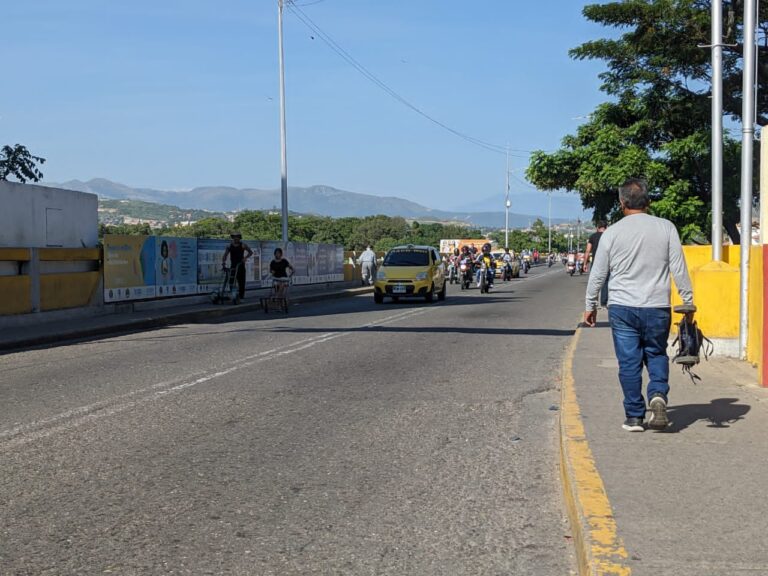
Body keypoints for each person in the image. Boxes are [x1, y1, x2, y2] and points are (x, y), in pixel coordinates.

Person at [583, 178, 693, 432]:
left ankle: (634, 416)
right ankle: (657, 395)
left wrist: (590, 305)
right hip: (657, 306)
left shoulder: (612, 233)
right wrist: (687, 300)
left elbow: (598, 273)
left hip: (622, 307)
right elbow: (678, 268)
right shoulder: (666, 228)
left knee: (629, 362)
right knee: (656, 353)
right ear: (648, 201)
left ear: (622, 203)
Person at [222, 233, 253, 300]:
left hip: (241, 265)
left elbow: (250, 252)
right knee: (231, 281)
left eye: (237, 237)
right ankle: (233, 295)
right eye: (234, 237)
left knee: (241, 282)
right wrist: (223, 263)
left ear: (239, 238)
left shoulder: (243, 245)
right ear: (233, 238)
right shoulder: (229, 246)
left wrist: (245, 257)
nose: (236, 238)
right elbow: (225, 255)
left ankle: (241, 296)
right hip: (233, 265)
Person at [584, 221, 608, 307]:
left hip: (595, 263)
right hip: (607, 263)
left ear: (597, 227)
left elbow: (587, 251)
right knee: (606, 282)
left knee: (594, 283)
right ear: (606, 227)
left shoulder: (593, 236)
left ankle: (594, 302)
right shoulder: (608, 236)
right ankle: (604, 303)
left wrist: (585, 263)